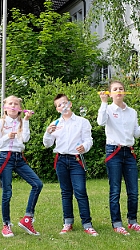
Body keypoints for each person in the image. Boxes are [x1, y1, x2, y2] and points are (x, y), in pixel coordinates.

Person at [97, 80, 140, 235]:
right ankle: (117, 223)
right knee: (115, 190)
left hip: (129, 153)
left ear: (124, 91)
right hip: (113, 152)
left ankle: (132, 222)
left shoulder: (132, 112)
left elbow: (136, 133)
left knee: (133, 191)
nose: (119, 91)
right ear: (110, 93)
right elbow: (100, 122)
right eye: (115, 89)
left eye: (121, 88)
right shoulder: (107, 109)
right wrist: (103, 103)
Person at [43, 93, 99, 236]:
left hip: (76, 160)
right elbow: (47, 144)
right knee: (65, 192)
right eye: (59, 105)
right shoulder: (55, 124)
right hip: (61, 160)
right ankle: (68, 222)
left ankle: (87, 224)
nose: (63, 106)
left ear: (70, 104)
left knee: (80, 191)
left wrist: (84, 147)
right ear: (57, 109)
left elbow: (88, 140)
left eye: (64, 103)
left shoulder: (82, 121)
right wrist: (48, 133)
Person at [0, 95, 43, 238]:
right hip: (5, 158)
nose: (13, 106)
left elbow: (25, 139)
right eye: (10, 103)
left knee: (37, 184)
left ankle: (27, 219)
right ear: (5, 107)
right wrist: (7, 136)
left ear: (20, 108)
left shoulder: (22, 122)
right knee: (7, 192)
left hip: (18, 158)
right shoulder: (0, 123)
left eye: (16, 104)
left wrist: (26, 121)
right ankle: (6, 224)